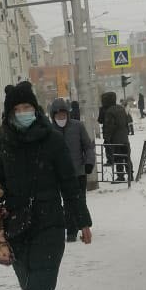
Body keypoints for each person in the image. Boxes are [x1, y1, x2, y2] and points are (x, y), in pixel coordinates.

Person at [0, 82, 92, 290]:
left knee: (40, 288)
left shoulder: (52, 141)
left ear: (35, 110)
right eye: (18, 109)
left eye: (28, 108)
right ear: (10, 114)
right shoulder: (4, 143)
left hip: (49, 222)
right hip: (16, 225)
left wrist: (82, 222)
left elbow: (69, 186)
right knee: (30, 287)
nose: (23, 113)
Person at [50, 97, 95, 243]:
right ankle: (71, 230)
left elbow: (88, 146)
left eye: (63, 115)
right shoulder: (49, 131)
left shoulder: (78, 126)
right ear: (53, 116)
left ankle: (83, 225)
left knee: (79, 199)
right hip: (60, 175)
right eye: (58, 116)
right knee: (68, 202)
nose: (61, 118)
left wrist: (89, 162)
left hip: (79, 172)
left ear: (67, 114)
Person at [101, 91, 131, 181]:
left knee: (118, 157)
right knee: (127, 157)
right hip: (124, 137)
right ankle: (131, 175)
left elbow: (110, 127)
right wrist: (126, 133)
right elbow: (127, 121)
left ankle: (120, 176)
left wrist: (107, 138)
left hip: (116, 139)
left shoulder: (109, 111)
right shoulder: (121, 108)